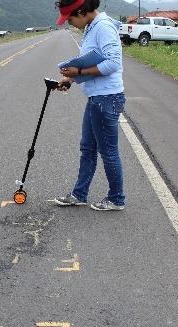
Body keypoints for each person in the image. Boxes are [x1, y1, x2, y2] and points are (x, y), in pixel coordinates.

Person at [53, 0, 127, 211]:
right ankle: (79, 194)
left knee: (108, 152)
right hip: (97, 98)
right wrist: (70, 79)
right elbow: (92, 60)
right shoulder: (92, 26)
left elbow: (113, 63)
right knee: (87, 149)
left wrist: (79, 72)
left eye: (70, 18)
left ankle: (116, 198)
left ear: (81, 11)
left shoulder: (102, 27)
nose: (69, 23)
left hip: (106, 98)